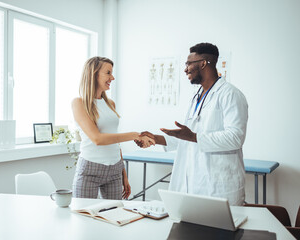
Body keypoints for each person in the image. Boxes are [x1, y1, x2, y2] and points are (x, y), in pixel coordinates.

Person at [136, 43, 248, 206]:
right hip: (195, 182)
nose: (185, 69)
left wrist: (194, 136)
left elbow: (235, 137)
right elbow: (189, 138)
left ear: (203, 63)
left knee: (218, 231)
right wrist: (157, 139)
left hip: (219, 184)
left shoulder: (231, 95)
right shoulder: (197, 96)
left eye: (189, 63)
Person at [72, 56, 154, 200]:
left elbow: (114, 141)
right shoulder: (79, 103)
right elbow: (97, 139)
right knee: (83, 217)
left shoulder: (110, 104)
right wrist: (135, 135)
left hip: (115, 169)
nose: (112, 77)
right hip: (90, 168)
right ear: (94, 74)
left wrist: (124, 174)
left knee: (114, 215)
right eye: (108, 73)